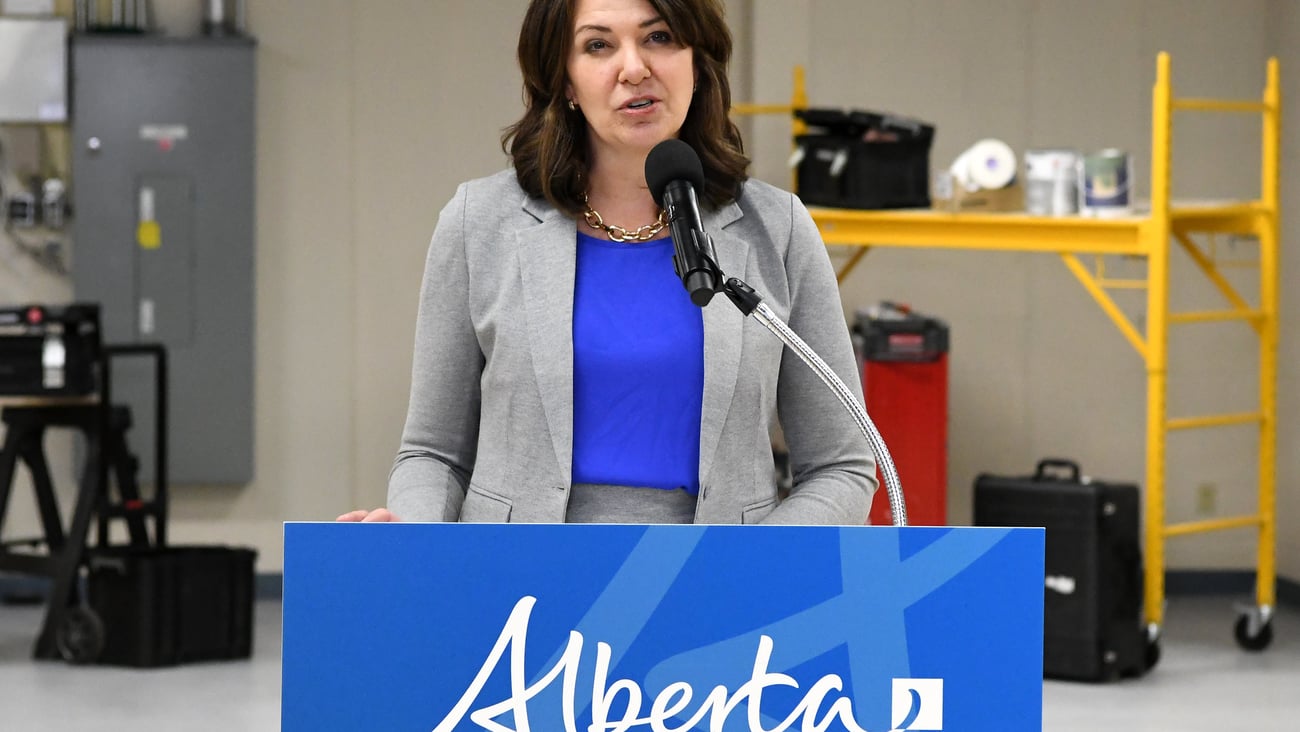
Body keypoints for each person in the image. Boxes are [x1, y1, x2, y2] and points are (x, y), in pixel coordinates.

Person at [338, 0, 876, 525]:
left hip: (713, 591)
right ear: (566, 82)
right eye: (598, 45)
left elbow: (841, 465)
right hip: (518, 589)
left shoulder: (776, 228)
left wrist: (749, 571)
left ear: (697, 61)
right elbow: (434, 453)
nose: (634, 68)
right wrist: (410, 543)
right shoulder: (478, 222)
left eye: (658, 37)